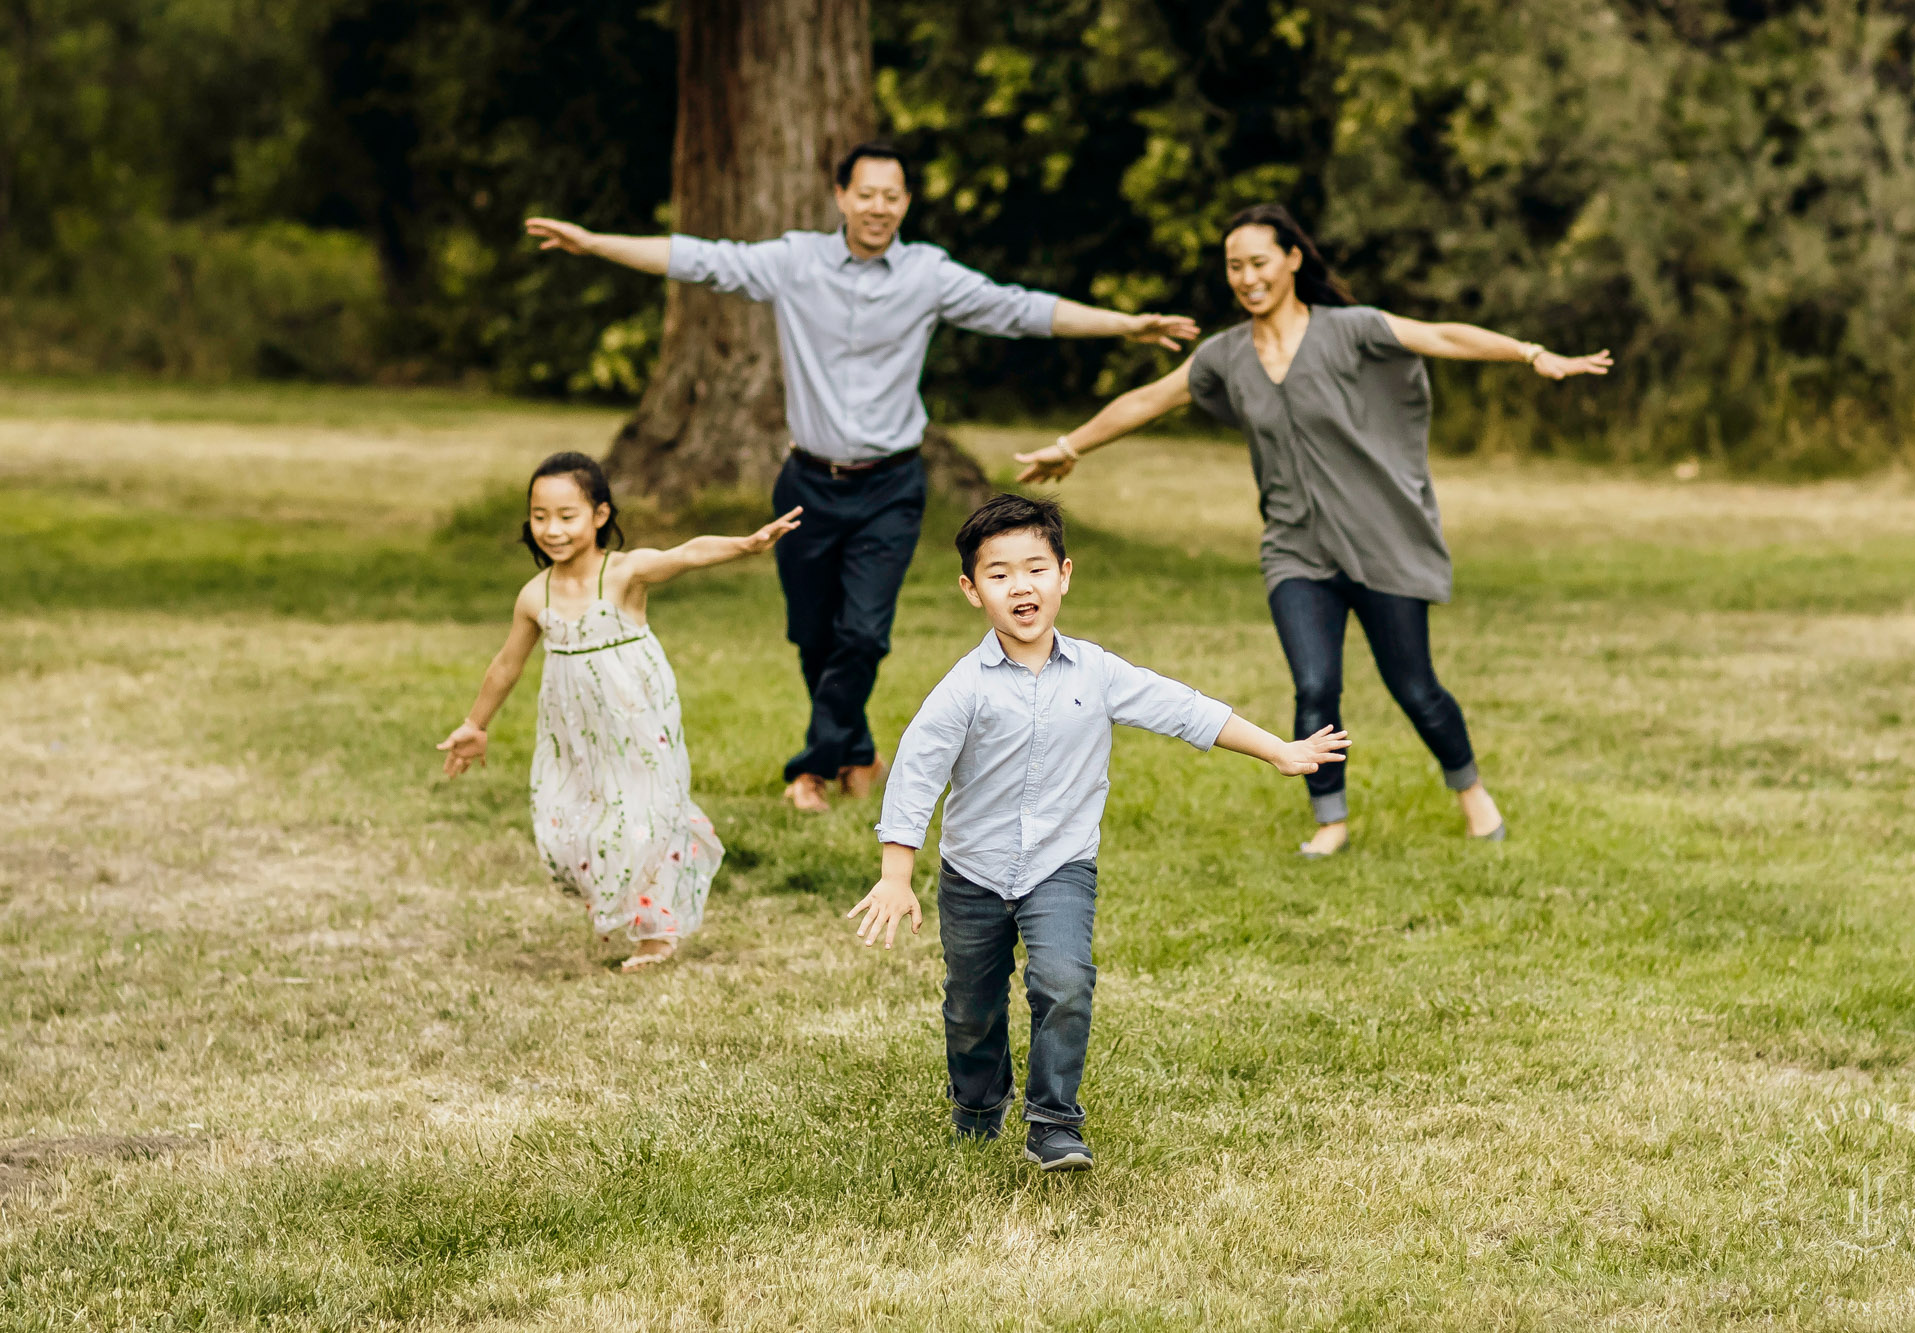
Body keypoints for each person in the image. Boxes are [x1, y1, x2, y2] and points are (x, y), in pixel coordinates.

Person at [525, 141, 1201, 815]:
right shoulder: (794, 261)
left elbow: (1019, 309)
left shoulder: (928, 274)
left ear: (905, 203)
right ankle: (859, 752)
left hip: (891, 486)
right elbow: (699, 259)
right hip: (806, 484)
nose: (879, 207)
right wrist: (593, 243)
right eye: (867, 193)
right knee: (814, 633)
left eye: (893, 196)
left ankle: (812, 767)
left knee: (864, 633)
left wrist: (1126, 324)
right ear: (842, 196)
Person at [1016, 203, 1613, 857]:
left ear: (1293, 260)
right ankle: (1330, 818)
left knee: (1414, 686)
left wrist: (1530, 354)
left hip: (1380, 539)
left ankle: (1472, 792)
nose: (1247, 278)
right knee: (1315, 685)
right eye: (1234, 267)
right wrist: (1070, 445)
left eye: (1259, 263)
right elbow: (1148, 400)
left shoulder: (1350, 330)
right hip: (1296, 548)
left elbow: (1441, 337)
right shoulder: (1226, 356)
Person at [846, 495, 1348, 1170]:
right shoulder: (962, 689)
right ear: (972, 590)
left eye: (1035, 568)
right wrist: (896, 872)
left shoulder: (1098, 673)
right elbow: (914, 774)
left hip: (1061, 866)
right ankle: (976, 1101)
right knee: (972, 1004)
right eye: (999, 574)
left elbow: (1183, 708)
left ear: (1064, 575)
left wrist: (1277, 750)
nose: (1021, 585)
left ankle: (1053, 1120)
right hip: (974, 872)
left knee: (1065, 980)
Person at [435, 451, 801, 972]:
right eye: (540, 516)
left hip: (637, 722)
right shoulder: (534, 595)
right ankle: (621, 901)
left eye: (567, 516)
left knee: (642, 821)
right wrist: (475, 724)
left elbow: (687, 553)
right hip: (572, 734)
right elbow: (506, 665)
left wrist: (746, 545)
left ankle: (654, 933)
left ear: (600, 515)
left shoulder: (623, 573)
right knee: (566, 832)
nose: (552, 529)